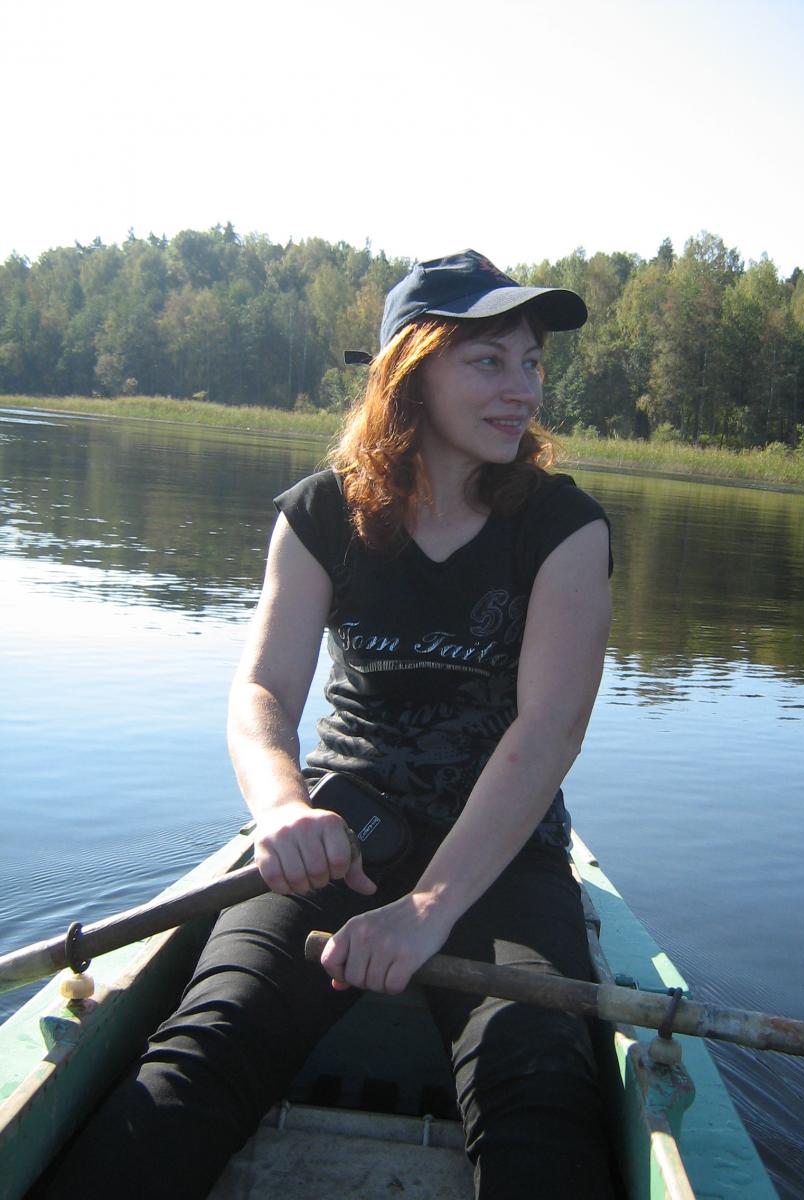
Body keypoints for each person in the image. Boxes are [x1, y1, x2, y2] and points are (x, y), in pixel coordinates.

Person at [45, 250, 614, 1199]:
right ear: (410, 371)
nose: (522, 389)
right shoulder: (321, 514)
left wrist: (428, 912)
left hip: (501, 858)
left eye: (532, 363)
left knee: (541, 1084)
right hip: (339, 841)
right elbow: (263, 690)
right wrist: (281, 811)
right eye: (489, 362)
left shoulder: (565, 527)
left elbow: (549, 730)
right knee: (204, 1047)